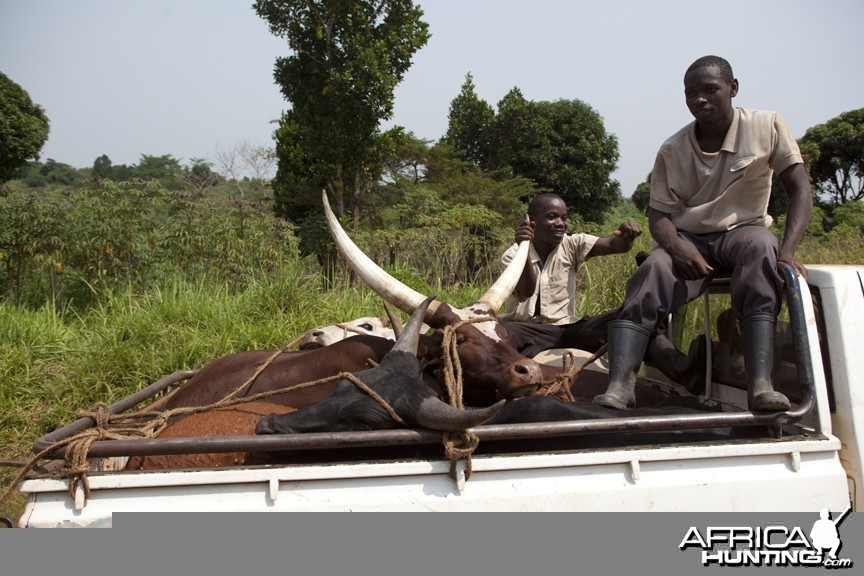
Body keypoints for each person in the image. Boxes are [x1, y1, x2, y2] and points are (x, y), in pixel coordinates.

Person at [593, 55, 813, 412]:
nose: (699, 99)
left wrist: (787, 253)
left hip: (743, 232)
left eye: (710, 89)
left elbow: (800, 189)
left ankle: (760, 384)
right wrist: (678, 248)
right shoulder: (672, 149)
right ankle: (620, 386)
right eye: (690, 92)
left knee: (762, 249)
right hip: (690, 238)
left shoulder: (766, 125)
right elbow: (659, 216)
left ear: (733, 89)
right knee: (651, 272)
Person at [499, 192, 642, 357]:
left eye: (564, 218)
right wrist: (524, 247)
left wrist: (626, 237)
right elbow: (526, 290)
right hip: (526, 330)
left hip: (565, 330)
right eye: (552, 217)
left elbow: (614, 245)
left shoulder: (573, 244)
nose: (560, 223)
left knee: (623, 320)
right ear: (531, 223)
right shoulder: (512, 255)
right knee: (502, 333)